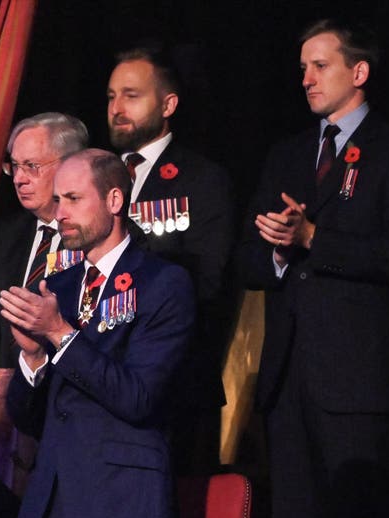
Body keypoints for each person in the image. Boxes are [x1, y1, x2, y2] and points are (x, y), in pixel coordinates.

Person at [237, 19, 389, 518]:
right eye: (302, 68)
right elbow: (246, 260)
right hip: (287, 380)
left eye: (320, 65)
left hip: (356, 384)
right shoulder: (288, 154)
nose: (307, 78)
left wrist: (314, 239)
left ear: (359, 72)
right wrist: (275, 250)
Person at [1, 149, 195, 518]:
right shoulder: (58, 288)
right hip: (50, 511)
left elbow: (140, 397)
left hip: (120, 511)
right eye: (57, 200)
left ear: (113, 199)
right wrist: (31, 359)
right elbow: (27, 418)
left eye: (72, 199)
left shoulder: (162, 283)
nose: (60, 213)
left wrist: (59, 334)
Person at [107, 46, 237, 475]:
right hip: (99, 379)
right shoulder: (95, 174)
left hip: (171, 382)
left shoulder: (202, 178)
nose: (117, 108)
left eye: (131, 95)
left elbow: (208, 280)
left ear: (168, 104)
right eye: (111, 97)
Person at [0, 112, 89, 518]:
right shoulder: (8, 234)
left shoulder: (94, 235)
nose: (19, 178)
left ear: (70, 164)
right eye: (13, 167)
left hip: (67, 407)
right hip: (2, 408)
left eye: (31, 167)